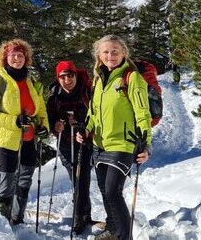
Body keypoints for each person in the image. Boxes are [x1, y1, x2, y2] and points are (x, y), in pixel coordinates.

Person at [77, 35, 152, 240]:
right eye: (106, 52)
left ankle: (124, 237)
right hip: (99, 144)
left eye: (114, 51)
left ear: (123, 53)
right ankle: (113, 230)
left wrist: (146, 145)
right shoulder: (99, 79)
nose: (110, 55)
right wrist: (85, 130)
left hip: (123, 143)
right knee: (104, 190)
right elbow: (93, 112)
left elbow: (142, 113)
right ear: (99, 55)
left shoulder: (131, 78)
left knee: (113, 191)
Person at [0, 39, 49, 225]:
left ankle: (17, 219)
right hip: (6, 138)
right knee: (7, 181)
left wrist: (43, 127)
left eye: (20, 55)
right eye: (13, 55)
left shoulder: (30, 81)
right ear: (5, 58)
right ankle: (2, 222)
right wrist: (14, 121)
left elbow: (40, 108)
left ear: (26, 58)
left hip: (29, 138)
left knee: (25, 179)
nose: (17, 59)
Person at [46, 60, 93, 233]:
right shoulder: (54, 97)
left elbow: (96, 113)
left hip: (85, 141)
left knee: (82, 178)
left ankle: (79, 217)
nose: (67, 80)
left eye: (70, 75)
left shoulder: (86, 91)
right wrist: (55, 126)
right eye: (63, 77)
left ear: (75, 75)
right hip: (65, 143)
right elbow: (49, 119)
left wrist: (80, 121)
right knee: (77, 178)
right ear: (58, 78)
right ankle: (84, 214)